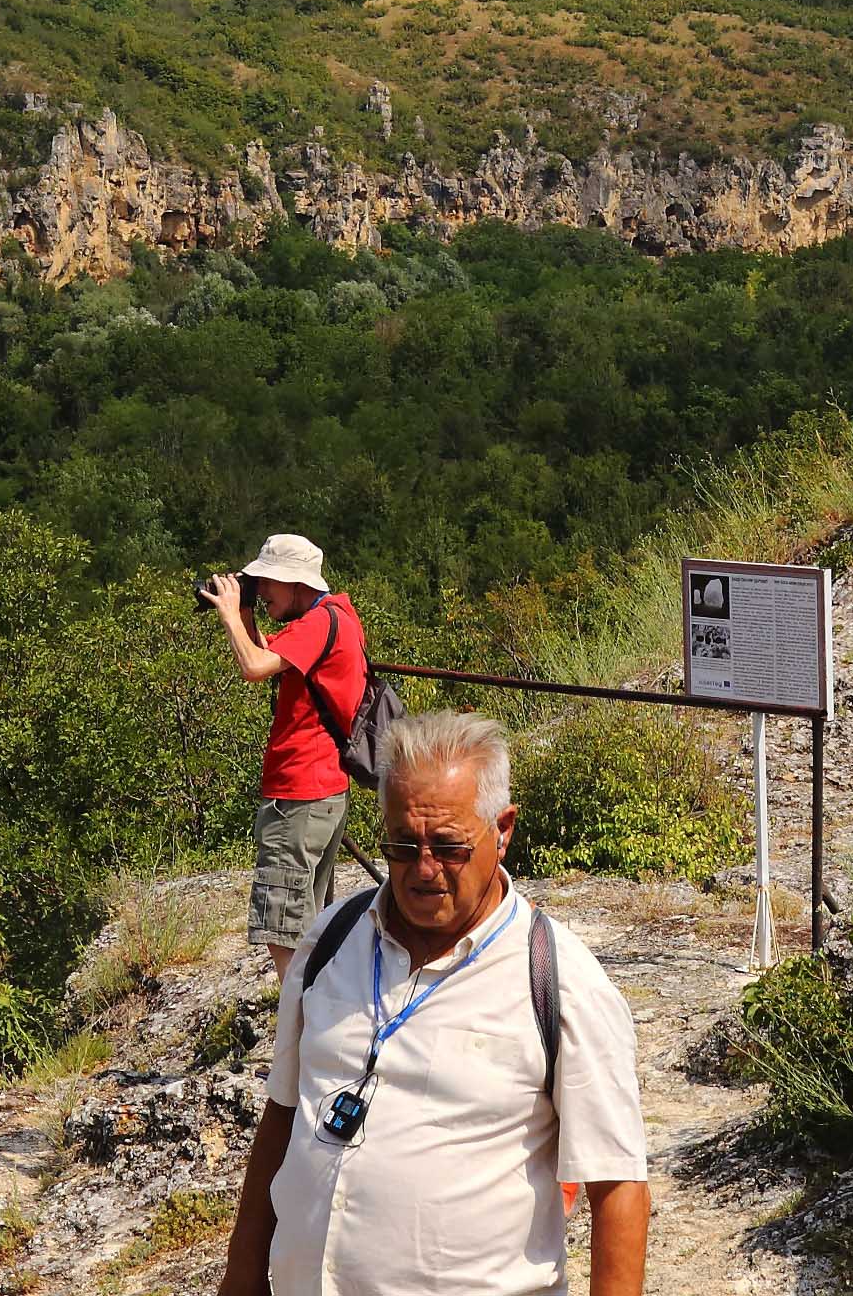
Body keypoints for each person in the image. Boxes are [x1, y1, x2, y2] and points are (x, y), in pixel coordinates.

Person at [215, 712, 654, 1296]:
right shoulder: (330, 943)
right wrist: (240, 1277)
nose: (423, 871)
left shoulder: (560, 981)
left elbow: (618, 1188)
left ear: (503, 830)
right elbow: (284, 1115)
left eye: (448, 847)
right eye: (402, 846)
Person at [200, 533, 375, 951]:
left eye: (267, 583)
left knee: (284, 932)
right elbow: (269, 653)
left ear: (297, 582)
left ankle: (296, 1016)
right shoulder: (335, 616)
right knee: (306, 925)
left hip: (300, 794)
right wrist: (244, 611)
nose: (261, 593)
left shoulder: (318, 623)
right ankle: (312, 1010)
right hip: (321, 790)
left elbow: (255, 666)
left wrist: (228, 614)